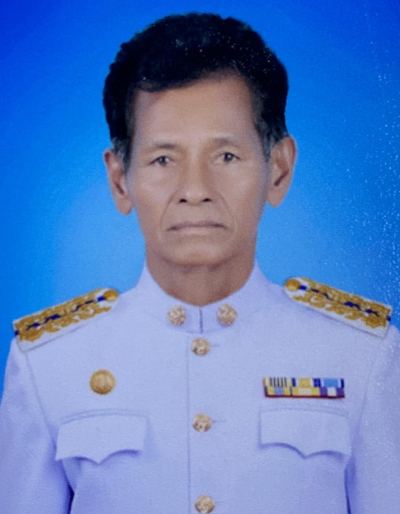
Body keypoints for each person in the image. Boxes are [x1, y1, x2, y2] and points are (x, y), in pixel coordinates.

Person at [0, 12, 399, 514]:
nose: (194, 190)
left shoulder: (362, 356)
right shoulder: (48, 365)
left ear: (278, 170)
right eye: (163, 159)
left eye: (226, 156)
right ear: (120, 180)